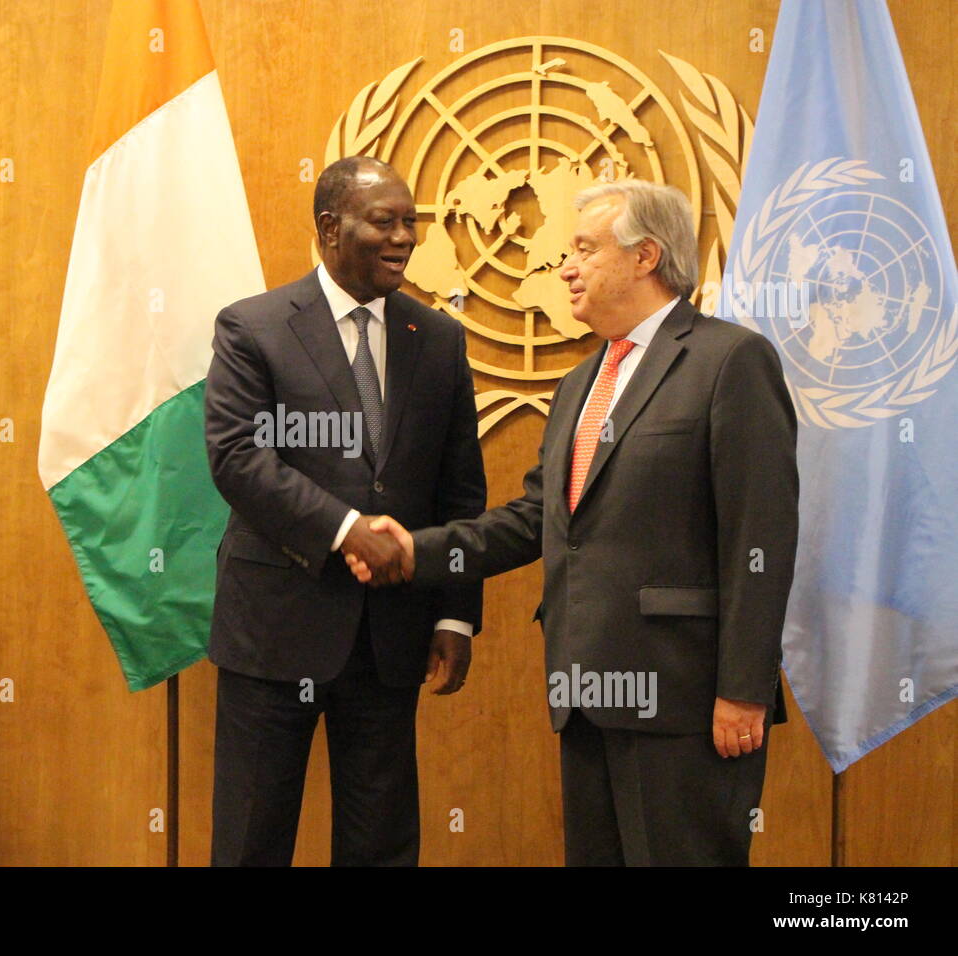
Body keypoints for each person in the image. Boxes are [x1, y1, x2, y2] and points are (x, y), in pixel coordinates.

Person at [348, 180, 798, 866]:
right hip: (584, 694)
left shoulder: (728, 361)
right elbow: (537, 519)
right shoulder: (581, 382)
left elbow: (760, 539)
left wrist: (745, 689)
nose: (566, 267)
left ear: (646, 256)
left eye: (585, 248)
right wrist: (418, 550)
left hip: (685, 701)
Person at [204, 156, 486, 866]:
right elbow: (239, 457)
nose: (404, 238)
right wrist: (345, 530)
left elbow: (461, 491)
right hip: (274, 631)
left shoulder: (440, 339)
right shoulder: (254, 328)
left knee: (382, 843)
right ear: (330, 228)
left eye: (410, 223)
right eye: (383, 222)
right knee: (251, 841)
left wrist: (454, 614)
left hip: (390, 637)